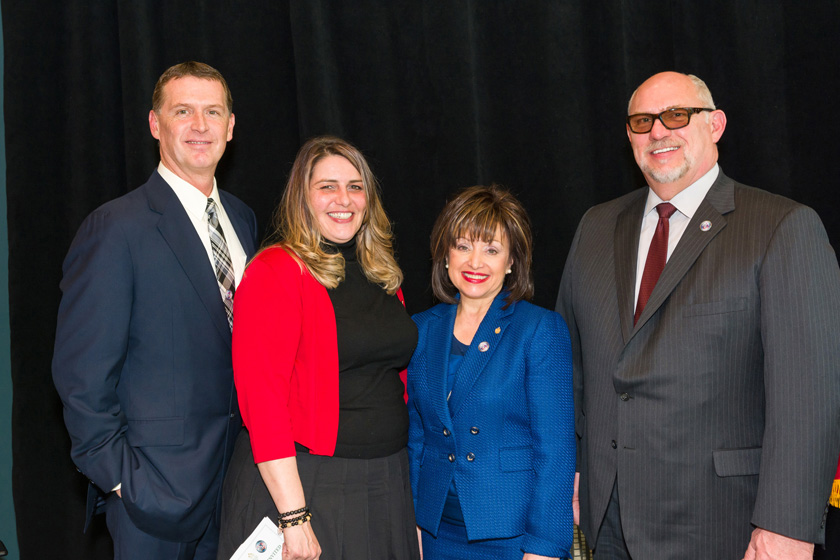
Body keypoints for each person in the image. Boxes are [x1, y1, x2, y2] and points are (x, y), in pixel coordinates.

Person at [556, 71, 840, 559]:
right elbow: (570, 368)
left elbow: (809, 398)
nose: (658, 132)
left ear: (716, 125)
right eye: (643, 121)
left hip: (725, 525)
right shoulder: (596, 226)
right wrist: (572, 472)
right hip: (608, 525)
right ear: (629, 136)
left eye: (677, 115)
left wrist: (785, 528)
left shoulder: (782, 227)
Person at [52, 61, 257, 559]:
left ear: (231, 126)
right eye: (182, 111)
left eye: (213, 112)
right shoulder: (115, 228)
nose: (200, 125)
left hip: (240, 490)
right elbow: (82, 376)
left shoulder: (243, 218)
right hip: (156, 498)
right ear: (154, 124)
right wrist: (125, 482)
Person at [217, 136, 420, 560]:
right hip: (308, 486)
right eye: (327, 186)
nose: (343, 199)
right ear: (302, 198)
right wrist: (294, 517)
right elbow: (262, 401)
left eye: (355, 186)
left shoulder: (384, 275)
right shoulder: (275, 271)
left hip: (386, 481)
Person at [408, 185, 576, 560]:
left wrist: (545, 547)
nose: (475, 262)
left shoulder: (539, 330)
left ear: (512, 261)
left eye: (492, 250)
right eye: (463, 246)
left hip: (512, 535)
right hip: (434, 534)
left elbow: (557, 451)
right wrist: (413, 524)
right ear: (446, 255)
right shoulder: (420, 329)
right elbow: (417, 438)